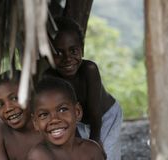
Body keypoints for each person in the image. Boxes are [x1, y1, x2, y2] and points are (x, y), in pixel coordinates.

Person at [44, 17, 123, 160]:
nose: (67, 58)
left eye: (73, 51)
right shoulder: (49, 78)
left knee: (107, 155)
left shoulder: (89, 70)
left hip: (105, 117)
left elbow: (95, 112)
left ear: (82, 49)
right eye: (58, 53)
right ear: (48, 54)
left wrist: (94, 142)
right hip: (76, 120)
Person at [27, 77, 106, 160]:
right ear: (35, 122)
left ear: (77, 112)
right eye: (44, 114)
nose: (54, 120)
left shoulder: (92, 150)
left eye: (62, 110)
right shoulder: (38, 156)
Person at [0, 70, 43, 160]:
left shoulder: (47, 125)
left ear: (31, 95)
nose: (8, 109)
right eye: (0, 105)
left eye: (15, 98)